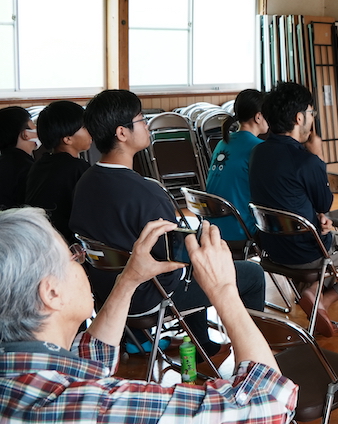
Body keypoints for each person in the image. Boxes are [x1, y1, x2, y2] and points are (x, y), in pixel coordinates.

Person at [0, 207, 296, 424]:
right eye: (74, 258)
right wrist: (223, 291)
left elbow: (89, 362)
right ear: (52, 292)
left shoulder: (22, 377)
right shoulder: (91, 416)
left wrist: (129, 279)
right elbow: (269, 403)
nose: (83, 265)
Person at [70, 89, 266, 356]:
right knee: (250, 274)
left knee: (189, 258)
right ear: (122, 133)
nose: (146, 125)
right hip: (148, 296)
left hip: (107, 293)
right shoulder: (147, 192)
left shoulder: (85, 181)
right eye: (141, 119)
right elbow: (172, 260)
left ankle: (202, 345)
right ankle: (257, 354)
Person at [249, 81, 338, 337]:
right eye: (311, 113)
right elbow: (325, 203)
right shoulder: (306, 160)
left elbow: (288, 199)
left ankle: (312, 288)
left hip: (271, 249)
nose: (311, 118)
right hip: (309, 251)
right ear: (299, 117)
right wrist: (318, 157)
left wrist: (316, 218)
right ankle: (322, 300)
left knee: (327, 232)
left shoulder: (257, 153)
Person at [25, 100, 92, 243]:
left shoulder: (39, 165)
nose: (91, 130)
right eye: (85, 127)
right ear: (68, 139)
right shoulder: (78, 168)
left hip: (37, 239)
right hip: (65, 245)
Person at [206, 89, 267, 241]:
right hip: (241, 229)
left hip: (212, 228)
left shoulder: (223, 142)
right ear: (258, 117)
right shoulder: (258, 148)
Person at [0, 106, 37, 209]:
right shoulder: (28, 168)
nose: (36, 129)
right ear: (25, 134)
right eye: (33, 125)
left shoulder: (3, 161)